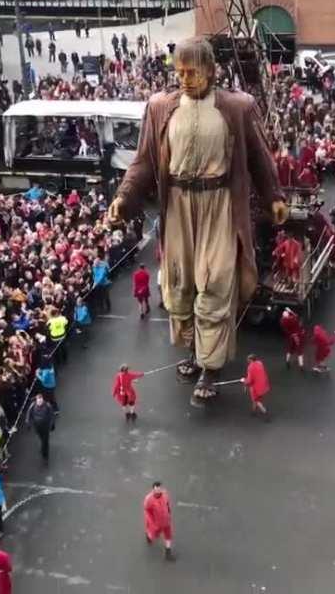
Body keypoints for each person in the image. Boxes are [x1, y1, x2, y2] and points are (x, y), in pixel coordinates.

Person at [109, 37, 287, 405]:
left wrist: (274, 197)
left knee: (215, 285)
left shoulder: (237, 107)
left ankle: (211, 366)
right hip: (177, 205)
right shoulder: (160, 107)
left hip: (219, 204)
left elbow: (258, 158)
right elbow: (143, 162)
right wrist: (124, 198)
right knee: (180, 287)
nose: (185, 79)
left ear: (210, 70)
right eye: (180, 73)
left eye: (192, 72)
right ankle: (195, 353)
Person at [143, 482, 175, 560]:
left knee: (168, 535)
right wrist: (152, 522)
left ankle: (168, 553)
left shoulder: (165, 494)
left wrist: (169, 512)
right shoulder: (149, 499)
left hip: (166, 521)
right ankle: (149, 536)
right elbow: (147, 511)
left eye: (160, 489)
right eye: (156, 489)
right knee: (154, 536)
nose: (158, 491)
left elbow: (167, 503)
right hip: (157, 523)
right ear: (153, 490)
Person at [26, 393, 55, 463]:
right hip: (37, 427)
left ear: (43, 400)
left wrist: (52, 424)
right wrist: (28, 423)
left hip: (45, 427)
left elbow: (51, 415)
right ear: (36, 401)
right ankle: (43, 446)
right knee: (42, 438)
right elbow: (28, 414)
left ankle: (45, 456)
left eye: (41, 401)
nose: (40, 403)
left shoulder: (47, 406)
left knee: (45, 441)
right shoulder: (33, 405)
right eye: (38, 401)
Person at [241, 354, 271, 421]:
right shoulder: (260, 363)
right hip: (263, 385)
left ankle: (265, 412)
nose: (247, 361)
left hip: (255, 387)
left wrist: (244, 381)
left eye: (248, 359)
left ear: (251, 360)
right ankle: (253, 411)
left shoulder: (250, 367)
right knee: (255, 399)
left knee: (257, 401)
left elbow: (249, 380)